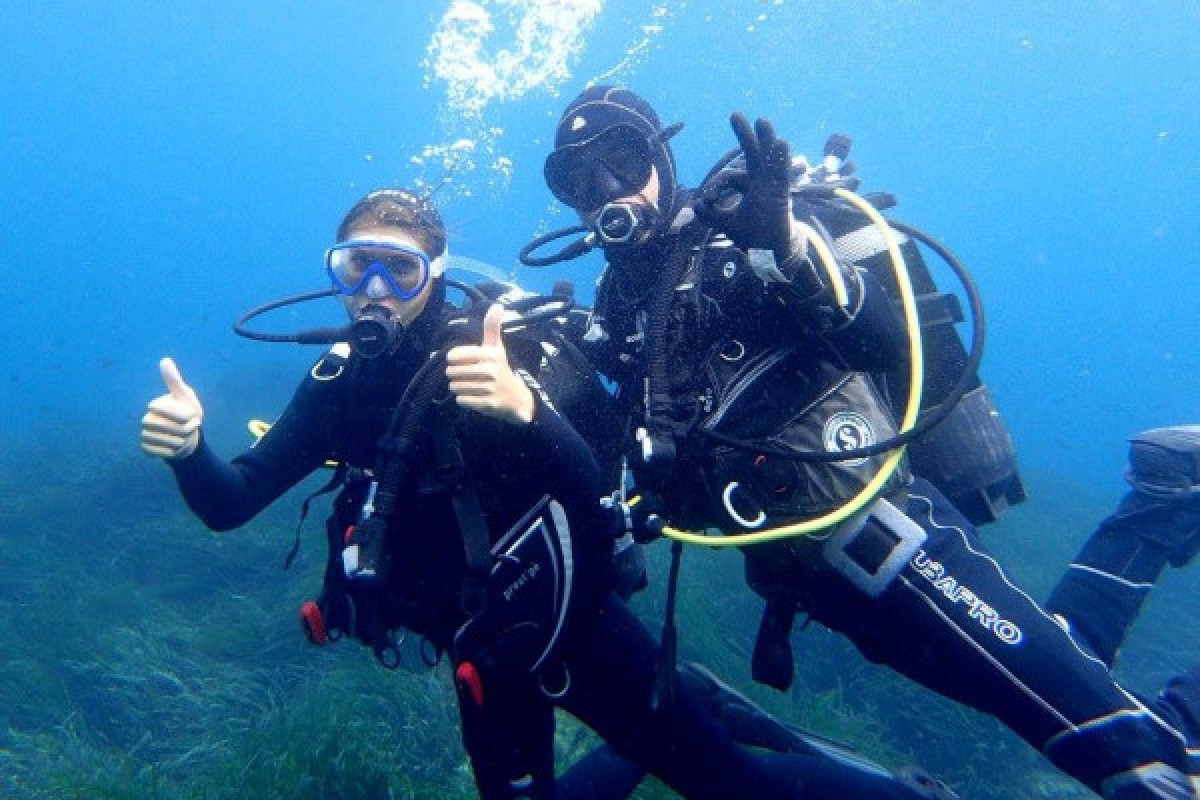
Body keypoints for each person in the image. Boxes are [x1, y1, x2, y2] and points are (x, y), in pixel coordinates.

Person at [140, 188, 944, 800]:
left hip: (575, 622)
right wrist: (189, 451)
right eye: (357, 267)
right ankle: (686, 702)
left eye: (401, 269)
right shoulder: (337, 385)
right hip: (482, 650)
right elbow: (230, 503)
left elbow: (596, 488)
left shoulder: (491, 358)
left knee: (735, 791)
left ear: (435, 275)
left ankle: (909, 792)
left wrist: (525, 410)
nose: (375, 289)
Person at [524, 84, 1200, 800]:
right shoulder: (619, 306)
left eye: (624, 161)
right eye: (579, 180)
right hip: (822, 588)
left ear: (662, 157)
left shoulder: (739, 228)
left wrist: (786, 246)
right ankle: (1159, 497)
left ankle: (1157, 519)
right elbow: (645, 468)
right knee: (1061, 669)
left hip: (895, 550)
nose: (606, 190)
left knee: (1143, 764)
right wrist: (553, 387)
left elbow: (884, 341)